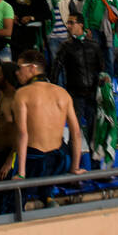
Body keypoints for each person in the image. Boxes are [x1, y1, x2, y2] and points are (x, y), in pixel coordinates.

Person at [10, 51, 85, 207]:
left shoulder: (22, 94)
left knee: (11, 197)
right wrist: (75, 167)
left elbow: (22, 134)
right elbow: (76, 133)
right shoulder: (63, 93)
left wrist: (21, 172)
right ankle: (48, 198)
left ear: (32, 68)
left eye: (19, 67)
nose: (17, 72)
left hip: (33, 162)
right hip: (60, 161)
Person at [50, 14, 102, 135]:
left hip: (92, 94)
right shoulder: (66, 46)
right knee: (75, 131)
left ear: (81, 24)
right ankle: (75, 153)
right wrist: (53, 89)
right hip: (75, 94)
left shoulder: (94, 45)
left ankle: (93, 153)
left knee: (94, 132)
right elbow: (56, 68)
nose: (68, 26)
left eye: (71, 23)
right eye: (68, 23)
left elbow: (101, 68)